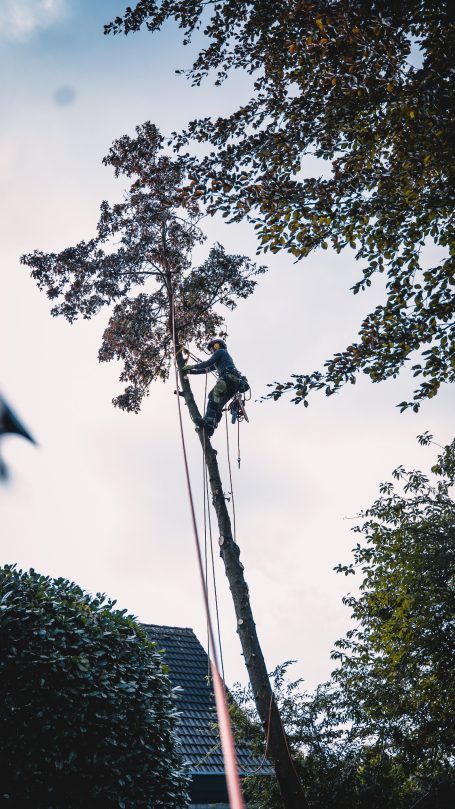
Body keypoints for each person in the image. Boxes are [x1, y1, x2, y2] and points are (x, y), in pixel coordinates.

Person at [182, 338, 249, 436]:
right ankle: (210, 426)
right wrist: (190, 371)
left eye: (214, 347)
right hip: (233, 386)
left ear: (219, 345)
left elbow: (207, 363)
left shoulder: (221, 352)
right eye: (212, 349)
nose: (213, 350)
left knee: (213, 395)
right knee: (218, 405)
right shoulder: (220, 360)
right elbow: (206, 369)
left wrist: (192, 366)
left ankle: (208, 420)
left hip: (228, 378)